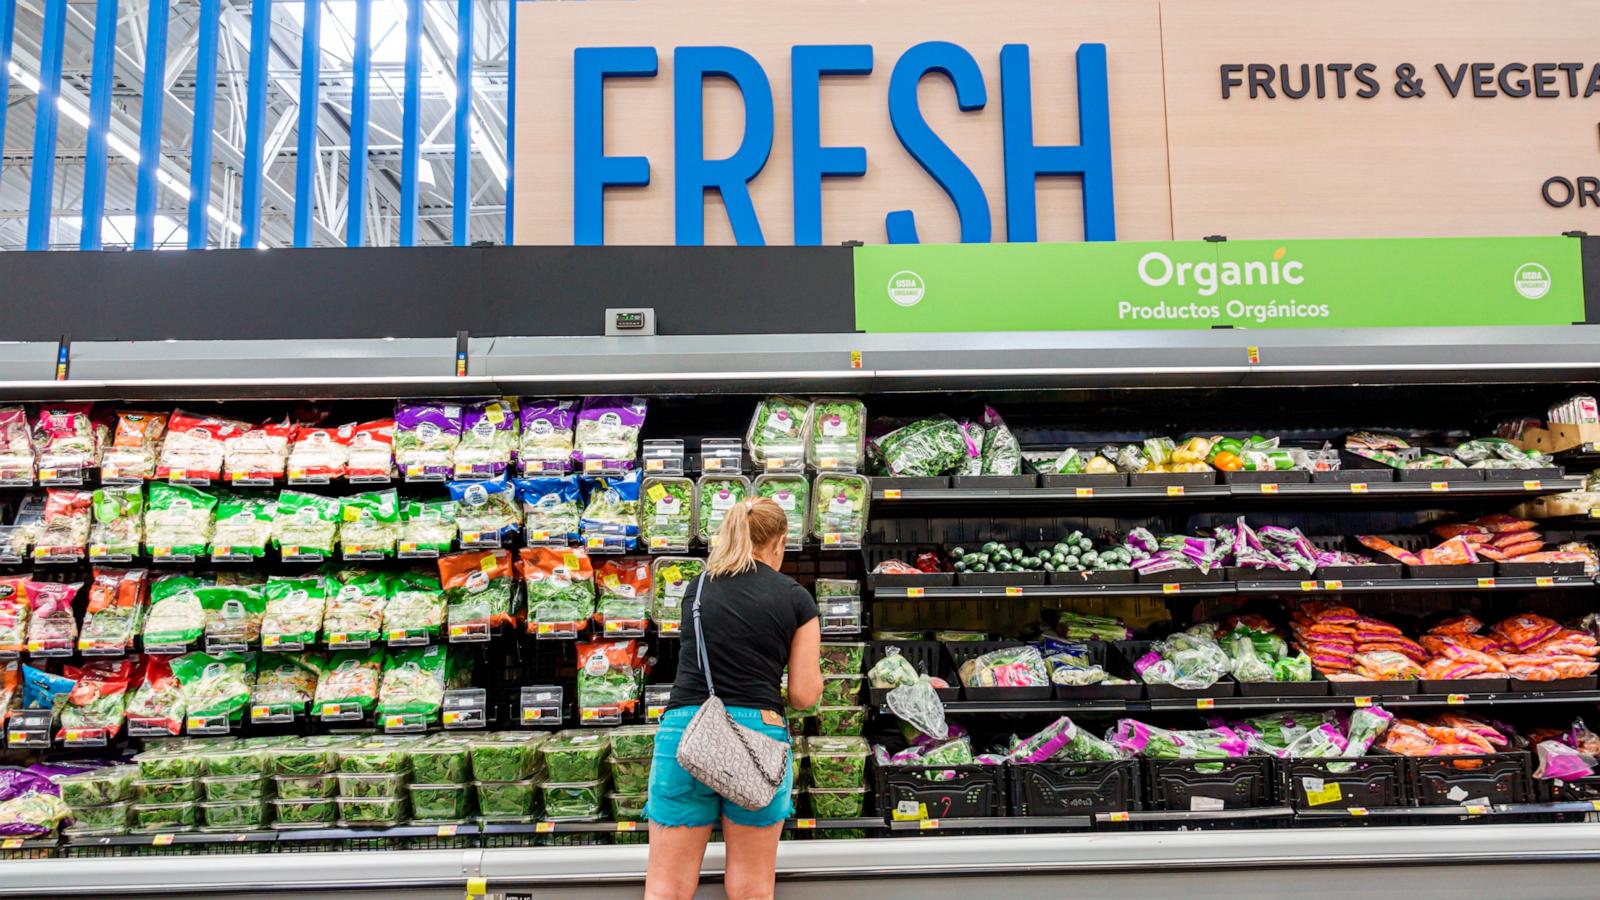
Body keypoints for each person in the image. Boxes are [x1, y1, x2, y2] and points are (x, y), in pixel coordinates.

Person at [644, 497, 822, 900]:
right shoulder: (796, 598)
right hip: (757, 739)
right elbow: (803, 695)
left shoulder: (699, 586)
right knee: (751, 887)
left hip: (686, 734)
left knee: (666, 888)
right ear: (780, 542)